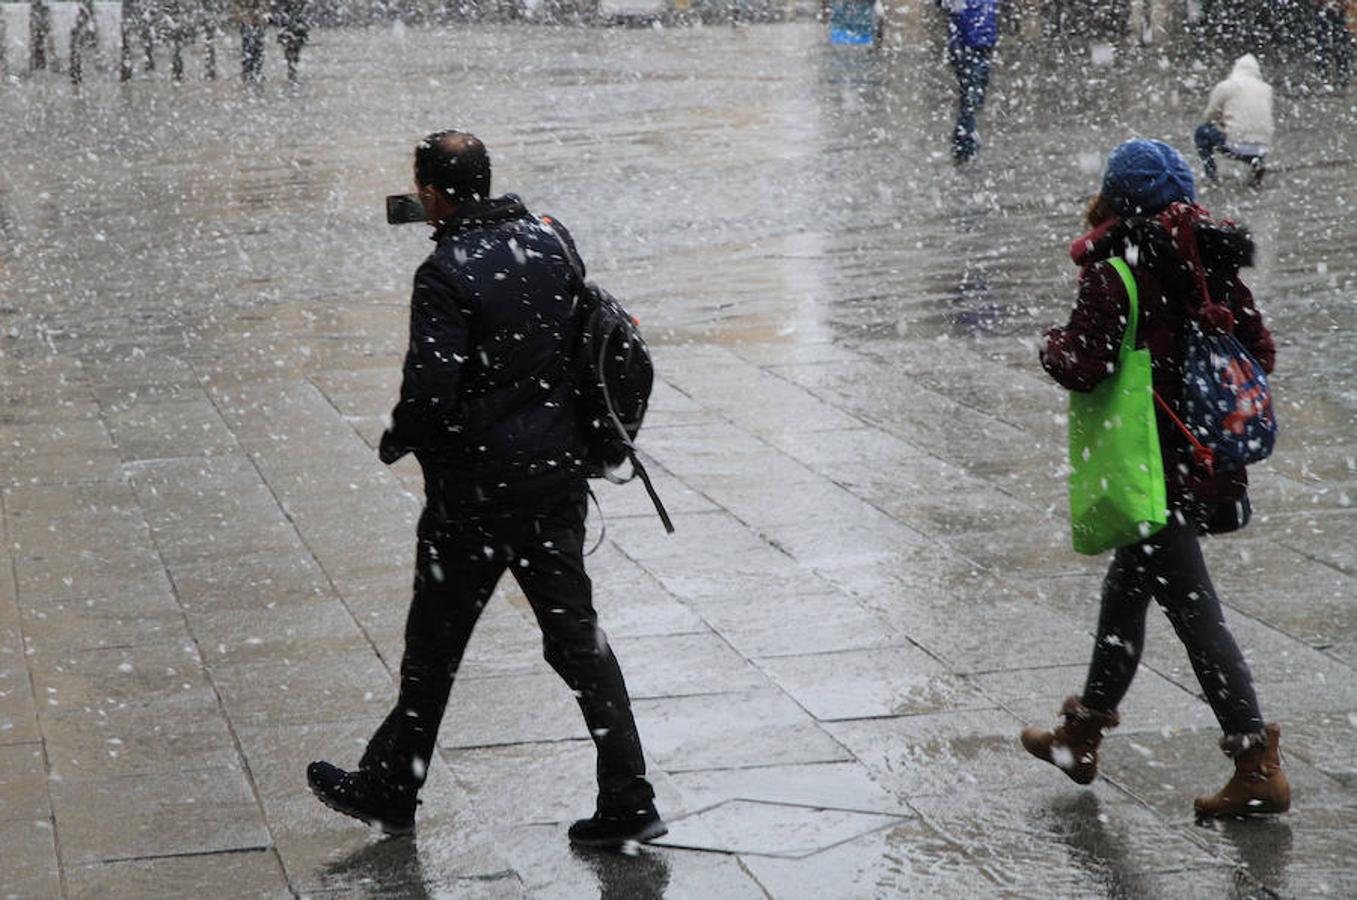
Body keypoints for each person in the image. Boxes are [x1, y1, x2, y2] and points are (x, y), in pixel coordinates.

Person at [307, 131, 667, 849]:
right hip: (555, 482)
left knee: (434, 647)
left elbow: (430, 392)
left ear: (432, 194)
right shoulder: (550, 240)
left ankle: (392, 786)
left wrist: (399, 436)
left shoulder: (444, 272)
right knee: (576, 641)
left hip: (475, 496)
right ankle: (628, 795)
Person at [1022, 139, 1290, 819]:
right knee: (1125, 594)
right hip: (1202, 459)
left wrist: (1048, 345)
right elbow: (1257, 350)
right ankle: (1079, 736)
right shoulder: (1212, 263)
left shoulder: (1117, 269)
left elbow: (1082, 365)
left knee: (1194, 613)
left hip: (1150, 465)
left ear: (1115, 197)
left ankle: (1255, 760)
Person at [1195, 53, 1274, 186]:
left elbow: (1209, 116)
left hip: (1236, 144)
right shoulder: (1266, 89)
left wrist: (1221, 123)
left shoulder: (1227, 86)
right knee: (1253, 138)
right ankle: (1256, 162)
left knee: (1201, 131)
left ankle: (1211, 176)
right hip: (1262, 147)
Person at [938, 0, 998, 162]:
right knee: (971, 97)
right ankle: (964, 143)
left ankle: (965, 139)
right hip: (967, 44)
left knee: (975, 97)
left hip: (984, 42)